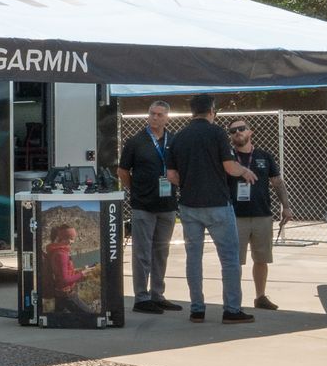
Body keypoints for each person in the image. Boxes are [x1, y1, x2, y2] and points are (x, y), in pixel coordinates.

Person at [165, 93, 258, 325]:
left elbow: (171, 175)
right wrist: (244, 171)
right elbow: (228, 166)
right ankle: (232, 309)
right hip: (217, 204)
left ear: (192, 111)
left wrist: (188, 183)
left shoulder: (178, 137)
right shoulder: (216, 133)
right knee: (229, 259)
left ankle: (197, 309)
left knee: (193, 258)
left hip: (189, 205)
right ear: (212, 111)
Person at [118, 100, 179, 314]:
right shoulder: (136, 141)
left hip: (168, 205)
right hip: (143, 204)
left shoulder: (174, 140)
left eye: (160, 114)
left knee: (161, 251)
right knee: (142, 252)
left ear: (167, 117)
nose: (155, 118)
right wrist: (135, 190)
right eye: (152, 114)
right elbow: (123, 171)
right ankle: (141, 297)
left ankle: (157, 294)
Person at [226, 120, 288, 311]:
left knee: (261, 259)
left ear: (250, 132)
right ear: (230, 135)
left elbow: (277, 182)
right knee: (235, 261)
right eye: (233, 131)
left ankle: (260, 296)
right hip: (235, 216)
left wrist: (286, 207)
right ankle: (233, 300)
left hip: (262, 215)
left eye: (241, 129)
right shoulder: (227, 157)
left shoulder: (264, 156)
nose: (238, 133)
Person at [42, 222, 100, 320]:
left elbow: (62, 273)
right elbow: (65, 280)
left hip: (59, 293)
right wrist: (82, 273)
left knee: (58, 318)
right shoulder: (62, 254)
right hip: (67, 294)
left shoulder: (55, 250)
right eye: (72, 238)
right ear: (65, 238)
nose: (73, 241)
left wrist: (81, 270)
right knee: (92, 316)